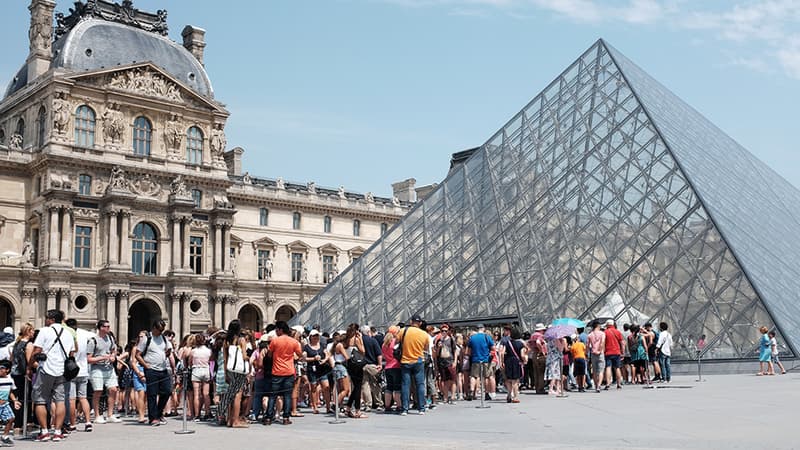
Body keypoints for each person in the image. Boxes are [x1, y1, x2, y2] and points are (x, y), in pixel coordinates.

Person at [29, 309, 75, 442]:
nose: (45, 320)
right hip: (62, 371)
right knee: (60, 401)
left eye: (47, 318)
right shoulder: (68, 333)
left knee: (40, 400)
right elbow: (72, 353)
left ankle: (44, 431)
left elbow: (36, 350)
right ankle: (58, 431)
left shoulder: (45, 331)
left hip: (46, 369)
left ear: (51, 319)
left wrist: (29, 366)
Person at [132, 319, 175, 426]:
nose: (161, 332)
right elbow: (138, 354)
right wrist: (146, 366)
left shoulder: (164, 339)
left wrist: (168, 352)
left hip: (163, 369)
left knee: (167, 391)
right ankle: (153, 418)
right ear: (154, 328)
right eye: (159, 330)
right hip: (151, 370)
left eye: (163, 330)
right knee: (152, 394)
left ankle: (158, 413)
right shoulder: (147, 339)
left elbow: (169, 350)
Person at [264, 321, 302, 425]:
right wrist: (292, 358)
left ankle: (268, 418)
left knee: (273, 396)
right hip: (289, 371)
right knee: (287, 395)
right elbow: (300, 354)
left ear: (281, 330)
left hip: (276, 371)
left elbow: (269, 355)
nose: (276, 331)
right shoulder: (293, 342)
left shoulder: (275, 341)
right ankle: (286, 418)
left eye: (277, 329)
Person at [87, 319, 122, 424]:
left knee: (113, 390)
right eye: (106, 326)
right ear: (101, 328)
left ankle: (110, 414)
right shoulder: (93, 341)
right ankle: (97, 415)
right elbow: (89, 359)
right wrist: (102, 357)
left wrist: (112, 356)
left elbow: (114, 350)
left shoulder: (110, 338)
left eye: (109, 326)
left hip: (109, 368)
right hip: (97, 368)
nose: (108, 328)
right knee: (98, 391)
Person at [219, 320, 250, 428]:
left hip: (230, 369)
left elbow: (224, 358)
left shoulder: (226, 341)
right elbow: (244, 356)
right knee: (238, 395)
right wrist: (249, 358)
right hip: (239, 370)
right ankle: (236, 421)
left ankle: (229, 419)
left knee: (231, 394)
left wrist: (226, 372)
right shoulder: (241, 340)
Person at [398, 315, 429, 416]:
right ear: (420, 323)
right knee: (420, 385)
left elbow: (396, 341)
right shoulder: (424, 334)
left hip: (405, 360)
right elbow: (426, 347)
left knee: (405, 385)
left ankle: (404, 409)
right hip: (419, 360)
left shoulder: (403, 331)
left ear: (411, 322)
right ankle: (421, 408)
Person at [10, 323, 33, 435]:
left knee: (17, 398)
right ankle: (24, 423)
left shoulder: (17, 343)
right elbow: (29, 361)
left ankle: (16, 424)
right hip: (24, 374)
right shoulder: (28, 345)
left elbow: (12, 358)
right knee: (26, 399)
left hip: (15, 373)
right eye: (32, 330)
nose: (33, 333)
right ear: (28, 331)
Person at [302, 330, 329, 414]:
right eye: (314, 336)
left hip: (322, 368)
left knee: (326, 387)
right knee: (313, 387)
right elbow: (304, 358)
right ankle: (314, 406)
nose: (316, 338)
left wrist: (324, 360)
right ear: (310, 337)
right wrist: (313, 359)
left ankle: (328, 406)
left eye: (317, 336)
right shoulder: (307, 347)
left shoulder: (322, 345)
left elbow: (327, 354)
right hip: (312, 369)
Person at [466, 323, 494, 402]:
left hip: (475, 359)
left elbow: (467, 351)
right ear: (483, 328)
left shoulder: (472, 338)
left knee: (473, 376)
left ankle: (471, 391)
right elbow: (493, 348)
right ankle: (486, 393)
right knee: (486, 376)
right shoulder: (486, 337)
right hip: (485, 359)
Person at [359, 325, 383, 411]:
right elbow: (379, 354)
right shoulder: (373, 340)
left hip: (362, 365)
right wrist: (380, 364)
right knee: (375, 384)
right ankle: (378, 403)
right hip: (373, 365)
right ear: (368, 331)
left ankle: (368, 404)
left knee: (365, 385)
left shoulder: (359, 341)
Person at [189, 333, 212, 421]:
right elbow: (211, 361)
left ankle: (197, 415)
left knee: (196, 394)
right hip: (206, 370)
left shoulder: (193, 351)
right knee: (206, 394)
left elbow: (190, 362)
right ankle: (207, 413)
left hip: (196, 371)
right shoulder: (208, 351)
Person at [500, 327, 526, 403]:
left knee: (508, 379)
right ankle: (515, 397)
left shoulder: (507, 343)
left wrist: (502, 361)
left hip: (508, 361)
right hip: (516, 361)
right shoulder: (520, 344)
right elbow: (522, 354)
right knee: (515, 380)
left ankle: (509, 394)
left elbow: (502, 353)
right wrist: (524, 361)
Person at [434, 323, 457, 404]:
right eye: (442, 331)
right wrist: (438, 348)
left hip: (450, 361)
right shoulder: (438, 340)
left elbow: (455, 351)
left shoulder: (451, 340)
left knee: (453, 379)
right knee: (444, 380)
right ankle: (445, 397)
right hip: (442, 362)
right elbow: (436, 354)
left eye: (445, 331)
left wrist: (455, 361)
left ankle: (453, 396)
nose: (444, 332)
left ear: (448, 332)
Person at [0, 360, 21, 446]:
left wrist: (15, 401)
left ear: (7, 370)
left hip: (4, 404)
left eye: (2, 368)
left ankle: (5, 437)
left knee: (11, 418)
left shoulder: (10, 380)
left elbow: (10, 392)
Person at [381, 326, 401, 412]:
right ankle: (399, 405)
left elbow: (383, 356)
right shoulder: (395, 342)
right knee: (397, 387)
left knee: (389, 387)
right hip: (396, 366)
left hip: (387, 366)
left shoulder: (384, 344)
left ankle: (387, 406)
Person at [603, 319, 624, 390]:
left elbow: (603, 343)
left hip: (607, 352)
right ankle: (619, 384)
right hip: (617, 352)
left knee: (608, 367)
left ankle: (608, 383)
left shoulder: (605, 332)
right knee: (617, 368)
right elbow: (622, 343)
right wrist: (622, 352)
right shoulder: (617, 332)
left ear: (607, 325)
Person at [528, 324, 547, 394]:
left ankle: (537, 388)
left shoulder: (532, 335)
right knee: (541, 372)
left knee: (535, 372)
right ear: (541, 330)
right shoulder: (540, 336)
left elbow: (528, 344)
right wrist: (542, 350)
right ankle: (541, 388)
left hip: (534, 354)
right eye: (543, 330)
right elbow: (538, 342)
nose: (544, 332)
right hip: (540, 355)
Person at [586, 321, 605, 393]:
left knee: (594, 371)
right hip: (600, 353)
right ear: (598, 326)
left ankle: (596, 385)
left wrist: (586, 354)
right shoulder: (602, 333)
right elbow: (602, 342)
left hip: (593, 353)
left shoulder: (590, 335)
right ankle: (599, 385)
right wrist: (600, 350)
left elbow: (587, 345)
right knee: (601, 371)